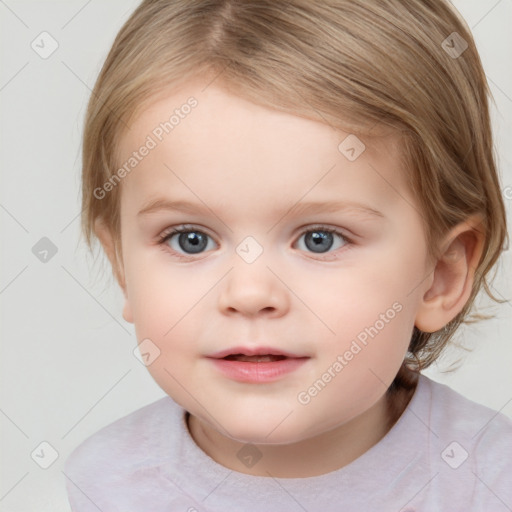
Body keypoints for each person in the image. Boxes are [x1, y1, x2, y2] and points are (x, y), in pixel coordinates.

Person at [64, 0, 511, 510]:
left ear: (440, 276)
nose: (249, 294)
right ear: (123, 267)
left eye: (320, 238)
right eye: (190, 239)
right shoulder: (108, 482)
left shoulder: (488, 483)